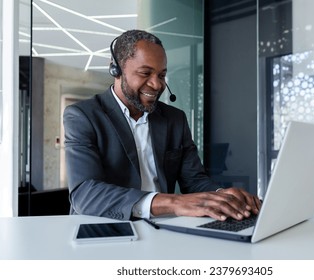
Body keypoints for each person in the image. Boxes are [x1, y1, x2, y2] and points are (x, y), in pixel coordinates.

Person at [63, 29, 261, 222]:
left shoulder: (175, 119)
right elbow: (85, 194)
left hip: (161, 227)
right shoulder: (83, 116)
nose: (157, 85)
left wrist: (222, 195)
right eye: (145, 73)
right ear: (116, 69)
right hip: (104, 227)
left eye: (161, 75)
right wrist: (173, 203)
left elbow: (194, 180)